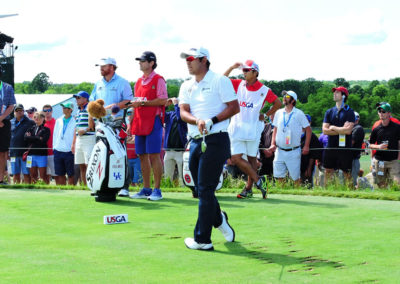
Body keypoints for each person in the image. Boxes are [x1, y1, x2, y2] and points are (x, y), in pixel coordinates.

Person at [179, 47, 239, 250]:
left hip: (216, 140)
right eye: (186, 59)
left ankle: (202, 239)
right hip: (195, 140)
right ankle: (220, 220)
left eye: (191, 59)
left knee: (205, 189)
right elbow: (183, 111)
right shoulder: (186, 85)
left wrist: (212, 120)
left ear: (204, 60)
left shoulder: (219, 80)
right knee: (200, 190)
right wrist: (198, 121)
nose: (188, 62)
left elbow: (234, 107)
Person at [224, 60, 281, 199]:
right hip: (237, 127)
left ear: (255, 72)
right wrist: (232, 67)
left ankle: (248, 189)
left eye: (246, 70)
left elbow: (277, 103)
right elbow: (222, 80)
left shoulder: (264, 89)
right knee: (236, 158)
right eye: (243, 70)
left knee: (251, 160)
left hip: (253, 128)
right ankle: (259, 180)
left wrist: (266, 115)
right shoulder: (238, 84)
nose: (243, 73)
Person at [91, 57, 133, 197]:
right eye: (100, 66)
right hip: (101, 124)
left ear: (112, 67)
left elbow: (129, 101)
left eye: (103, 66)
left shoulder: (122, 82)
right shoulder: (98, 84)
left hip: (117, 124)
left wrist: (113, 107)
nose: (101, 68)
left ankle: (123, 186)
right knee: (102, 153)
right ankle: (102, 183)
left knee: (120, 153)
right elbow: (93, 101)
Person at [129, 51, 168, 201]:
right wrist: (130, 123)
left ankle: (157, 189)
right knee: (142, 155)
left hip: (154, 121)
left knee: (154, 155)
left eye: (143, 60)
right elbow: (135, 104)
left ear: (151, 63)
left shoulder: (159, 79)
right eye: (140, 60)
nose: (140, 63)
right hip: (139, 121)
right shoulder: (138, 81)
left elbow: (163, 100)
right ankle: (146, 188)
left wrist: (143, 103)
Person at [268, 91, 311, 186]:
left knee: (295, 178)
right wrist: (272, 144)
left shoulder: (299, 113)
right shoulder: (278, 113)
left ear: (293, 100)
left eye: (287, 96)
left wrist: (306, 146)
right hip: (279, 150)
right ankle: (281, 196)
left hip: (293, 151)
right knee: (279, 177)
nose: (284, 97)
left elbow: (308, 130)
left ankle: (298, 197)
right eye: (284, 95)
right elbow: (275, 129)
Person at [322, 86, 355, 186]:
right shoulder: (329, 111)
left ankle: (351, 193)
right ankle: (328, 192)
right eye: (334, 92)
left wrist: (332, 127)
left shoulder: (350, 112)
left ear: (343, 96)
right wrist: (341, 130)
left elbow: (348, 131)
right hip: (331, 147)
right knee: (328, 171)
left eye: (337, 92)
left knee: (347, 173)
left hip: (345, 148)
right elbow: (325, 130)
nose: (334, 94)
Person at [368, 103, 400, 188]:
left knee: (397, 184)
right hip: (380, 161)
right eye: (379, 111)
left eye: (383, 111)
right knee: (381, 184)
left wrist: (398, 157)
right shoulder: (376, 129)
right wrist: (378, 147)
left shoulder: (397, 127)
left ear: (389, 113)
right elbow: (370, 145)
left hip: (393, 161)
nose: (381, 113)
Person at [71, 91, 95, 186]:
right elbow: (75, 128)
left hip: (89, 138)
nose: (76, 100)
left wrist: (85, 130)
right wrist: (74, 143)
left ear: (85, 99)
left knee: (88, 164)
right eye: (76, 98)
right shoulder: (78, 111)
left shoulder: (91, 109)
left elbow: (95, 125)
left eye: (78, 98)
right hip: (79, 139)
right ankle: (85, 186)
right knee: (81, 165)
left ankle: (91, 185)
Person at [163, 97, 188, 186]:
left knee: (182, 176)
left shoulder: (186, 115)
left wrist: (176, 105)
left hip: (180, 151)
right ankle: (167, 188)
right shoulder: (170, 114)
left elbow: (180, 119)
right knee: (167, 176)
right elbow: (162, 116)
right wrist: (164, 106)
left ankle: (184, 190)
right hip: (169, 150)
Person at [10, 104, 35, 184]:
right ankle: (16, 191)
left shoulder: (30, 122)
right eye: (17, 110)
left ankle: (28, 192)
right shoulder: (11, 122)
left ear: (24, 111)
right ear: (14, 112)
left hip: (26, 153)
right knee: (15, 174)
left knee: (27, 174)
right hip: (14, 152)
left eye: (21, 110)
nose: (19, 112)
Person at [53, 102, 76, 185]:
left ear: (70, 110)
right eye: (63, 107)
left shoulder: (75, 121)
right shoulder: (58, 120)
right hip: (58, 150)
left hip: (69, 151)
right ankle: (62, 191)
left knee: (71, 174)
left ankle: (71, 192)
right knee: (60, 174)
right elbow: (55, 134)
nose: (63, 109)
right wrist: (54, 147)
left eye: (65, 108)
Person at [24, 111, 50, 184]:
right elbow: (25, 138)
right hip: (30, 155)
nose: (36, 119)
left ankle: (45, 190)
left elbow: (43, 140)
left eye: (38, 117)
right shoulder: (31, 128)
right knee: (33, 175)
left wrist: (31, 138)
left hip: (41, 155)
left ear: (42, 118)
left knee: (43, 176)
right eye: (34, 117)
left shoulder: (46, 129)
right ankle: (35, 190)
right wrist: (38, 138)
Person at [0, 70, 16, 184]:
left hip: (4, 122)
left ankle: (0, 179)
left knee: (2, 152)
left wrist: (0, 119)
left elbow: (11, 106)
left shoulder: (7, 87)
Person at [300, 114, 322, 188]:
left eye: (307, 121)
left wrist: (309, 168)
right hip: (295, 163)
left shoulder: (312, 137)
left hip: (306, 165)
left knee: (306, 183)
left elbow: (314, 155)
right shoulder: (296, 133)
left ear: (310, 123)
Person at [258, 112, 275, 179]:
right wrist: (264, 150)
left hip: (276, 157)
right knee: (263, 178)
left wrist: (272, 151)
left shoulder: (282, 127)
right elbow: (258, 140)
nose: (272, 116)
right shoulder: (264, 127)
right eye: (271, 114)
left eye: (274, 114)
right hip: (264, 158)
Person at [42, 104, 56, 184]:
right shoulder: (41, 123)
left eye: (49, 110)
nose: (47, 112)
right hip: (43, 153)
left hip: (53, 153)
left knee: (56, 174)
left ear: (52, 111)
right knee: (44, 175)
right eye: (45, 111)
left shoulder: (57, 122)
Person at [351, 112, 365, 187]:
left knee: (351, 182)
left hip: (353, 159)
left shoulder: (358, 128)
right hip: (349, 158)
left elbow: (351, 142)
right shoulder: (351, 128)